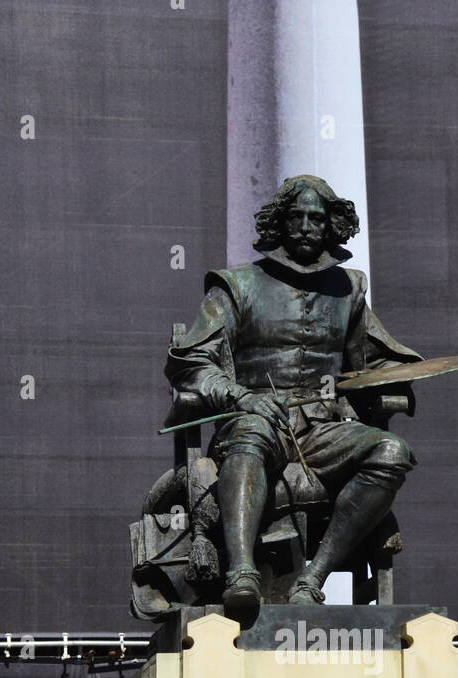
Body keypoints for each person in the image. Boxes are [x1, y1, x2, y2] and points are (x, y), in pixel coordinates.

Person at [164, 174, 421, 610]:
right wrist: (241, 396)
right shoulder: (235, 285)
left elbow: (374, 361)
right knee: (250, 434)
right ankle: (241, 573)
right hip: (254, 419)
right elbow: (190, 363)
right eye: (296, 217)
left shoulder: (349, 289)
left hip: (324, 431)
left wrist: (398, 375)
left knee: (392, 450)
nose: (306, 227)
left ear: (330, 226)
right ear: (280, 222)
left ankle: (311, 580)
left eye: (316, 219)